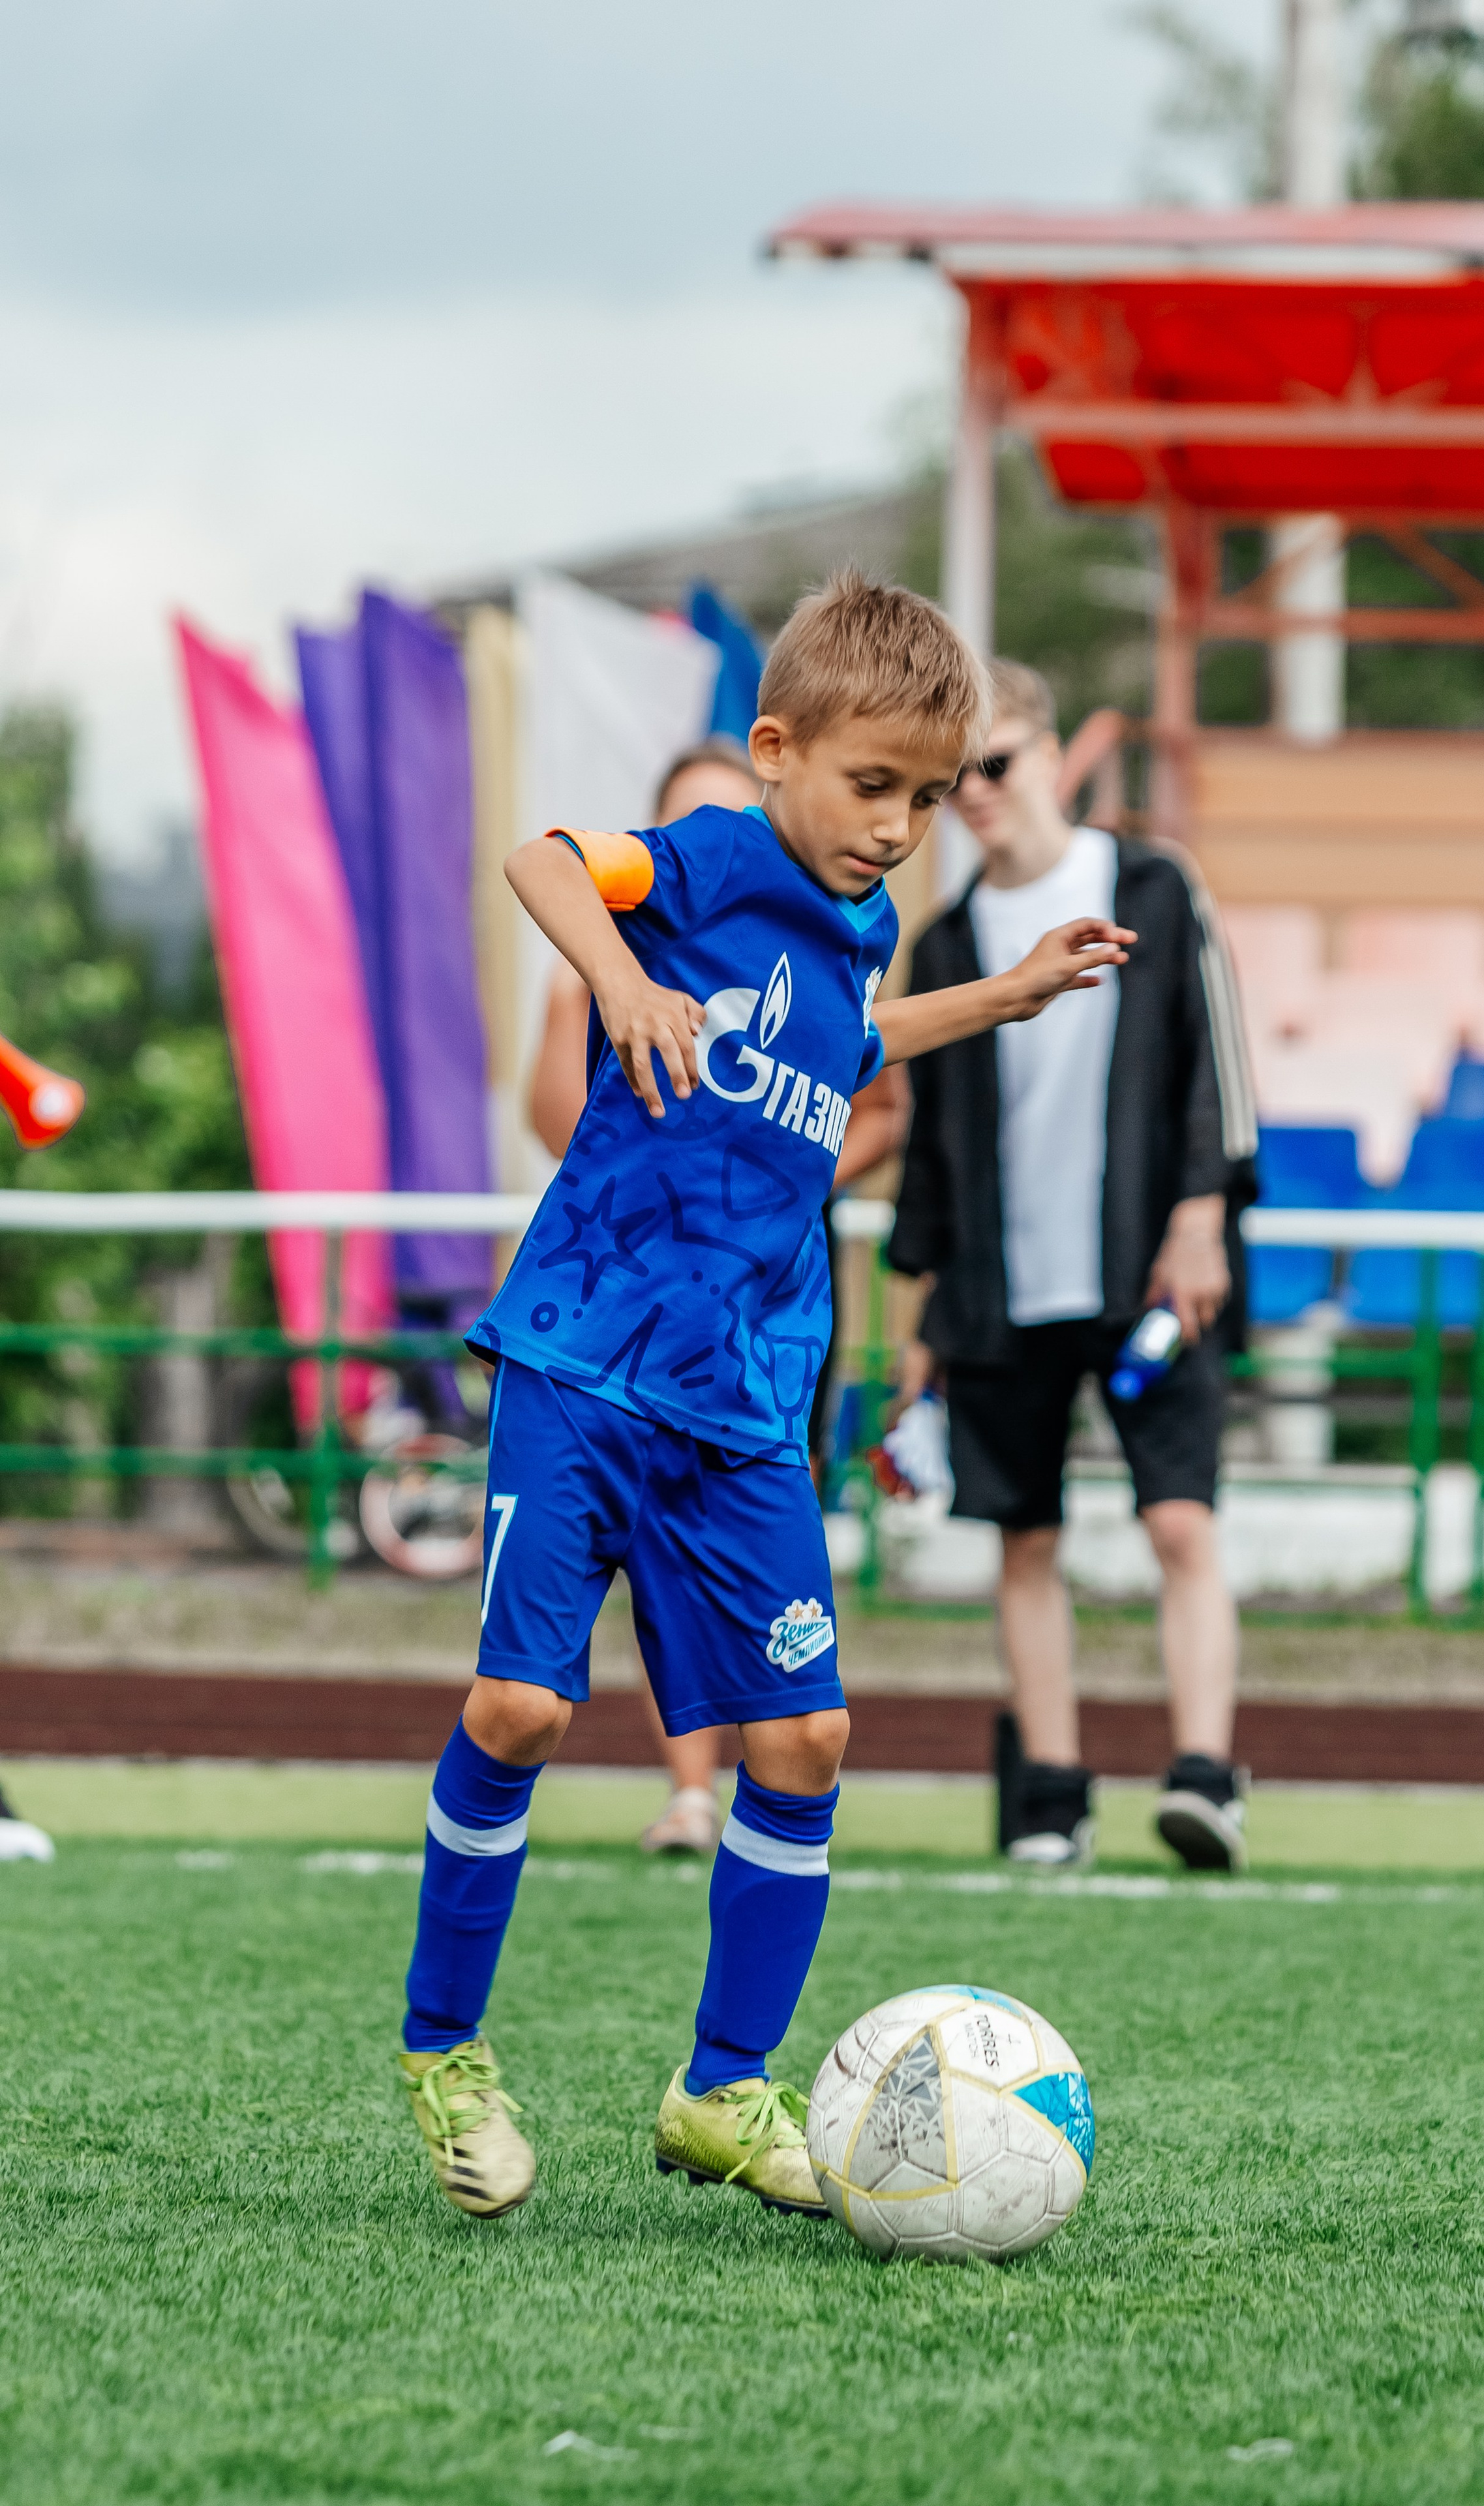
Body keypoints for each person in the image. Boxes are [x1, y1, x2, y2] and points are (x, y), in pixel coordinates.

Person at [395, 573, 1132, 2220]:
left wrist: (1000, 998)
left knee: (802, 1738)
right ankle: (444, 2051)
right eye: (873, 785)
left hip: (741, 1404)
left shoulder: (859, 926)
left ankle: (722, 2091)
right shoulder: (719, 851)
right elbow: (545, 862)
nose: (899, 827)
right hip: (586, 1361)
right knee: (521, 1710)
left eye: (929, 799)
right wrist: (624, 981)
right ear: (777, 748)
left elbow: (850, 1042)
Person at [889, 658, 1258, 1874]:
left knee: (1180, 1522)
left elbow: (1216, 1061)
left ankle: (1205, 1775)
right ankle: (1051, 1790)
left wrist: (1202, 1214)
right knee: (1024, 1538)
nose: (978, 795)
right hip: (1000, 1289)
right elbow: (931, 1153)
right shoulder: (941, 944)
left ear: (1052, 753)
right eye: (952, 783)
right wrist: (920, 1317)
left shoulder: (1149, 883)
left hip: (1150, 1276)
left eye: (993, 764)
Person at [524, 735, 909, 1857]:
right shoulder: (619, 947)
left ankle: (759, 1776)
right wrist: (616, 987)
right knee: (597, 1608)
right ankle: (690, 1783)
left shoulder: (842, 943)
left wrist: (768, 1166)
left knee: (762, 1606)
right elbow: (557, 1118)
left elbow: (871, 1090)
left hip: (766, 1321)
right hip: (625, 1317)